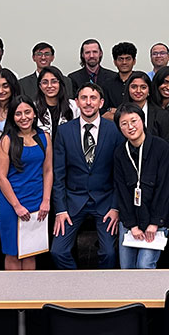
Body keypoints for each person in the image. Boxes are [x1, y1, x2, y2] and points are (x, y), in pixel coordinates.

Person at [51, 83, 122, 269]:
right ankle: (77, 282)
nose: (88, 102)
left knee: (109, 253)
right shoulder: (64, 131)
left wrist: (115, 207)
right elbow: (58, 175)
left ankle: (102, 284)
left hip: (105, 202)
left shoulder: (114, 130)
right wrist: (60, 210)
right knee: (58, 251)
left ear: (101, 102)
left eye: (93, 98)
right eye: (84, 98)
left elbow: (120, 175)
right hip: (73, 201)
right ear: (77, 102)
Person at [0, 96, 53, 270]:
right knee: (12, 253)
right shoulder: (7, 140)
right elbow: (1, 177)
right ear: (12, 117)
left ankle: (30, 288)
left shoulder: (44, 137)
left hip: (36, 201)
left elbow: (48, 170)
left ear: (34, 113)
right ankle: (13, 289)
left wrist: (46, 200)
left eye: (27, 112)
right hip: (12, 203)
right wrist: (17, 206)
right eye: (18, 113)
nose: (23, 117)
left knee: (31, 251)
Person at [113, 103, 169, 269]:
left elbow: (164, 189)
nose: (130, 127)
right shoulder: (120, 153)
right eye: (124, 124)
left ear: (143, 121)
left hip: (156, 219)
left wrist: (155, 223)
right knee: (126, 267)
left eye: (134, 121)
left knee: (144, 265)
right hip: (130, 219)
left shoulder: (161, 148)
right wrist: (132, 225)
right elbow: (122, 192)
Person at [123, 71, 169, 145]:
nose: (138, 91)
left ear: (149, 90)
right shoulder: (122, 113)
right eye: (134, 87)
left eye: (143, 87)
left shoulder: (161, 114)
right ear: (128, 89)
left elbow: (166, 145)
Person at [35, 65, 79, 137]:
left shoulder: (74, 106)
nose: (49, 86)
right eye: (45, 82)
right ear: (40, 86)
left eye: (54, 82)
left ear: (60, 84)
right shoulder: (34, 108)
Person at [103, 41, 138, 113]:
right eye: (120, 59)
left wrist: (117, 112)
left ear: (134, 61)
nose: (124, 62)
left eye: (128, 59)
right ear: (115, 62)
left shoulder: (140, 82)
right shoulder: (107, 84)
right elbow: (103, 111)